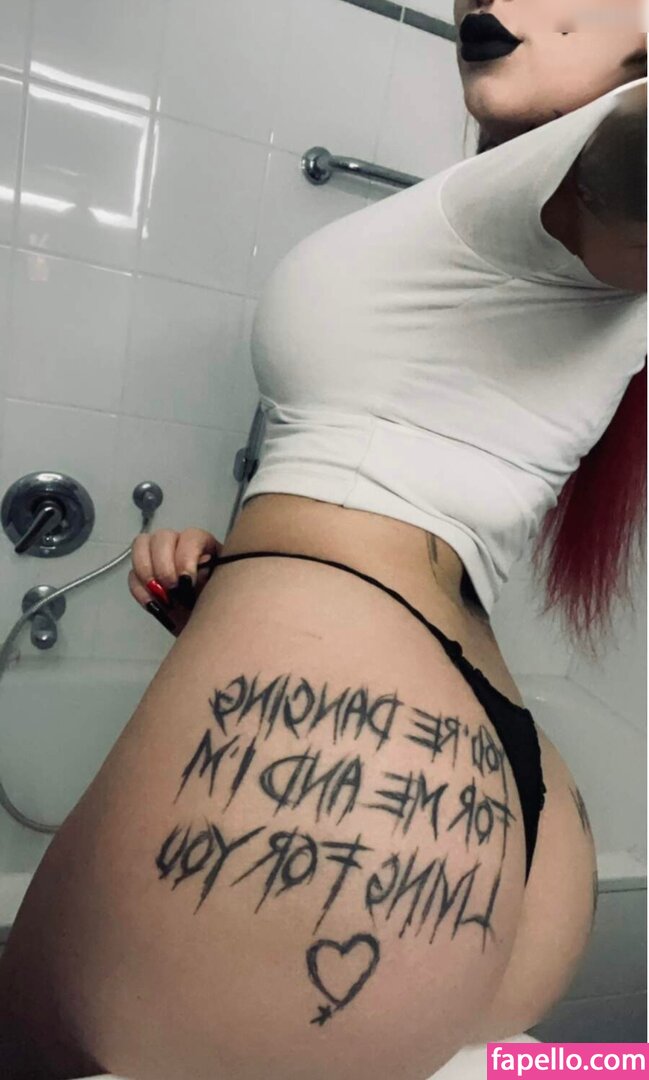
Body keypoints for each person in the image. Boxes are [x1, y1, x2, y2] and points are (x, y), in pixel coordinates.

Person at [0, 3, 646, 1077]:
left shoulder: (582, 176)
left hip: (364, 810)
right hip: (483, 794)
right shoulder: (543, 237)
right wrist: (247, 605)